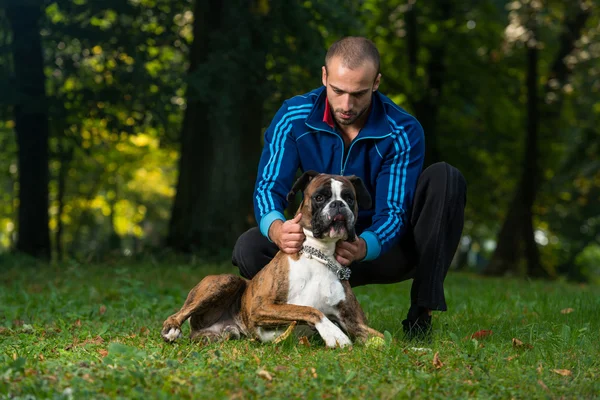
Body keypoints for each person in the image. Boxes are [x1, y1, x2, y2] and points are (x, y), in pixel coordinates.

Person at [232, 36, 467, 339]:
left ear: (376, 82)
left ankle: (421, 313)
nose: (346, 104)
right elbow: (268, 186)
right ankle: (301, 316)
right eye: (338, 91)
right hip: (311, 250)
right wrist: (277, 228)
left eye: (358, 93)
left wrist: (363, 247)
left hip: (376, 249)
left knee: (445, 177)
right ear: (324, 77)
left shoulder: (403, 129)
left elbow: (394, 211)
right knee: (249, 247)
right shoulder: (294, 115)